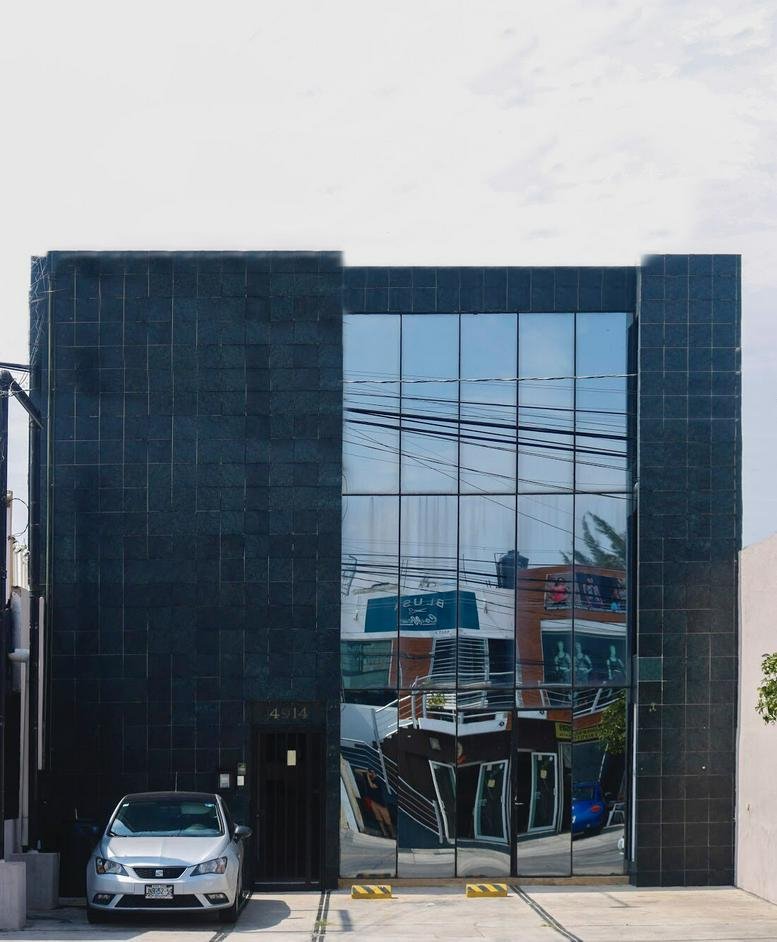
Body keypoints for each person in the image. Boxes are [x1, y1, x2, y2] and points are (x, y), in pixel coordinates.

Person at [361, 769, 395, 838]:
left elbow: (372, 786)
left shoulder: (378, 780)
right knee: (379, 818)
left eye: (372, 773)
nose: (371, 774)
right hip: (374, 802)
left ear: (375, 774)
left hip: (381, 803)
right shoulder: (368, 777)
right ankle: (385, 833)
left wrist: (367, 776)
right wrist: (366, 772)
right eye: (370, 772)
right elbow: (357, 771)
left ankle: (393, 834)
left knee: (387, 820)